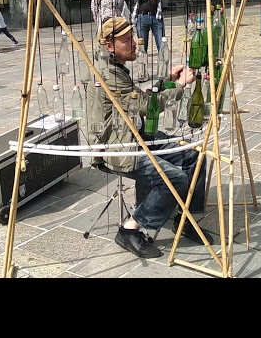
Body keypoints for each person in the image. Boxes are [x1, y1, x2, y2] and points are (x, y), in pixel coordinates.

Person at [86, 16, 213, 259]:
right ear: (110, 46)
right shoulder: (106, 72)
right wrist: (180, 86)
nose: (134, 43)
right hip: (119, 147)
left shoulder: (113, 67)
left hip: (134, 134)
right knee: (173, 178)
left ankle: (185, 219)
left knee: (192, 155)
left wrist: (167, 81)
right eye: (127, 40)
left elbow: (135, 99)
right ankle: (129, 229)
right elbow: (145, 106)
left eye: (132, 38)